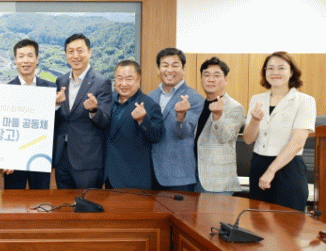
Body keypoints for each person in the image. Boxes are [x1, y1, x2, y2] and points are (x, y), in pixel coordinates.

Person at [243, 51, 316, 211]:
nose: (275, 72)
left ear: (291, 72)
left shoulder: (305, 101)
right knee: (258, 219)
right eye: (270, 68)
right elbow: (248, 139)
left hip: (288, 167)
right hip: (259, 165)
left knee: (287, 221)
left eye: (281, 68)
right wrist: (255, 121)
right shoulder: (257, 99)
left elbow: (297, 143)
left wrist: (271, 171)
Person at [54, 33, 113, 189]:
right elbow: (60, 120)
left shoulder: (101, 82)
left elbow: (105, 121)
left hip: (88, 160)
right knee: (63, 203)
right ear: (66, 55)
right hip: (62, 158)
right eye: (71, 51)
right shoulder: (61, 81)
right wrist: (56, 105)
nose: (75, 56)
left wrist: (94, 110)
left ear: (89, 52)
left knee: (87, 203)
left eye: (80, 51)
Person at [3, 39, 57, 189]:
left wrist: (57, 105)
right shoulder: (6, 91)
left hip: (41, 158)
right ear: (15, 60)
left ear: (37, 59)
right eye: (21, 56)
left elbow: (57, 125)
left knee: (40, 200)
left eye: (30, 55)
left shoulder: (51, 89)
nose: (25, 60)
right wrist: (5, 157)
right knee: (13, 201)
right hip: (14, 160)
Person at [148, 47, 204, 192]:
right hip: (151, 174)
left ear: (183, 69)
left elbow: (183, 133)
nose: (169, 70)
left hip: (179, 176)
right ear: (158, 69)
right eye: (165, 65)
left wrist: (180, 116)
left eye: (175, 65)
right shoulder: (150, 96)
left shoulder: (194, 98)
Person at [104, 60, 163, 190]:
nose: (124, 83)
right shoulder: (108, 100)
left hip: (134, 178)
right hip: (109, 176)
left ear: (139, 79)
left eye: (129, 79)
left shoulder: (149, 104)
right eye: (119, 78)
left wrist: (143, 120)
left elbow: (156, 136)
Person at [195, 57, 245, 194]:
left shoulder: (235, 107)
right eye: (206, 75)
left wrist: (217, 117)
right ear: (201, 79)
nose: (211, 79)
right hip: (195, 175)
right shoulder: (198, 105)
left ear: (226, 79)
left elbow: (225, 137)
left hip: (218, 179)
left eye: (216, 75)